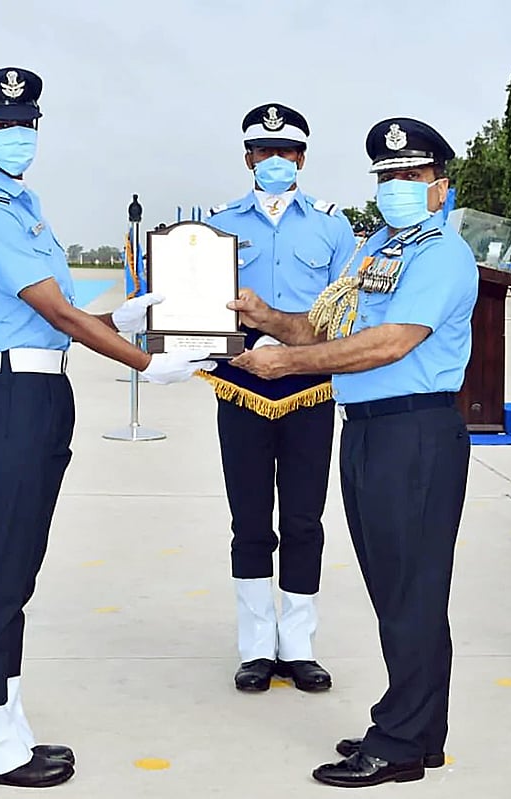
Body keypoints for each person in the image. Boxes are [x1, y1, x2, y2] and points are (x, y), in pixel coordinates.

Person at [0, 67, 212, 788]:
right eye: (2, 126)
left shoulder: (22, 205)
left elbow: (55, 316)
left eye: (26, 123)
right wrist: (143, 361)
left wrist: (119, 319)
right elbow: (58, 314)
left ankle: (2, 724)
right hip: (9, 399)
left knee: (15, 568)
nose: (17, 136)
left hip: (37, 393)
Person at [229, 117, 477, 787]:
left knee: (412, 590)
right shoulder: (378, 251)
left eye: (411, 176)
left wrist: (288, 365)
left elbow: (391, 342)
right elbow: (326, 324)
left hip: (415, 431)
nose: (397, 186)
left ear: (438, 187)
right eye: (387, 177)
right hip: (368, 426)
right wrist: (264, 318)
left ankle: (400, 739)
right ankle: (414, 729)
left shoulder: (440, 253)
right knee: (396, 588)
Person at [202, 103, 357, 693]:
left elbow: (344, 312)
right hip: (239, 383)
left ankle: (298, 644)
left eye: (286, 151)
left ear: (302, 158)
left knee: (303, 519)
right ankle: (255, 647)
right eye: (263, 152)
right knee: (248, 520)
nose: (274, 161)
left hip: (311, 385)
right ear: (248, 158)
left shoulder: (331, 226)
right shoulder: (216, 227)